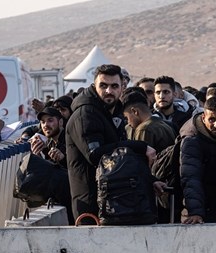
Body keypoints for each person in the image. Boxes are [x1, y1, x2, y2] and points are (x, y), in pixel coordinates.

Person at [65, 64, 155, 221]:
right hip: (91, 203)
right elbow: (95, 155)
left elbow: (123, 157)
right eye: (103, 85)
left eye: (114, 86)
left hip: (115, 202)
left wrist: (150, 180)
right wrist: (140, 147)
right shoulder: (86, 113)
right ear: (94, 86)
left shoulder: (114, 111)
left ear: (122, 87)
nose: (108, 90)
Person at [180, 96, 216, 224]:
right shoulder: (192, 142)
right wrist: (196, 213)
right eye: (212, 119)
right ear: (204, 118)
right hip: (199, 211)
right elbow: (190, 178)